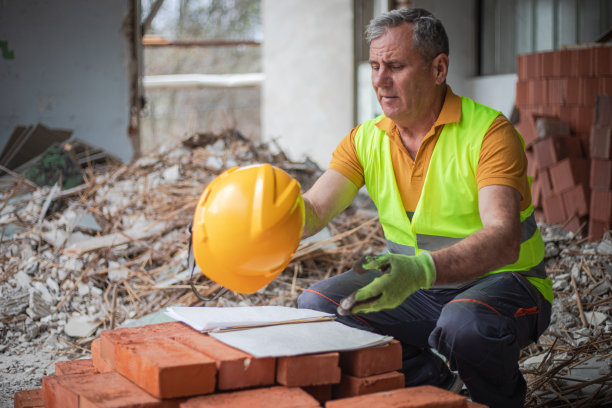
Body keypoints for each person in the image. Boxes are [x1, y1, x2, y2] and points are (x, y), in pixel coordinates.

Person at [297, 8, 552, 408]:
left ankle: (499, 401)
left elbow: (504, 240)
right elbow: (312, 210)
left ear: (438, 69)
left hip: (504, 282)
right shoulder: (365, 140)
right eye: (375, 65)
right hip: (420, 289)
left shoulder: (489, 133)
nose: (380, 80)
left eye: (395, 66)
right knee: (318, 307)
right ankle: (432, 380)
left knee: (464, 326)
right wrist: (247, 221)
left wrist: (420, 270)